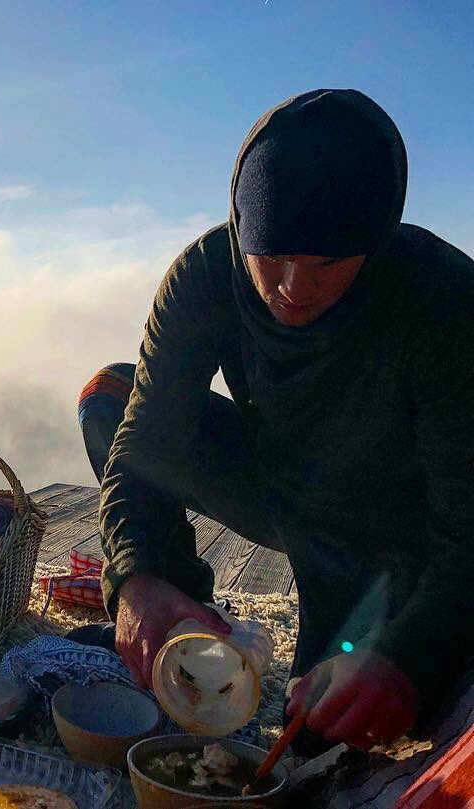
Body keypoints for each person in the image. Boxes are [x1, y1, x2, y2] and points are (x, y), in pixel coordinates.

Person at [73, 88, 474, 754]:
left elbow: (469, 529)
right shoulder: (206, 274)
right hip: (277, 475)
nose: (292, 286)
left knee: (327, 739)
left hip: (392, 529)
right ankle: (183, 626)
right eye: (271, 254)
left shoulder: (444, 306)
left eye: (325, 264)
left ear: (375, 243)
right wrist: (137, 575)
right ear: (239, 223)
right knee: (110, 396)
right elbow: (146, 445)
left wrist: (409, 656)